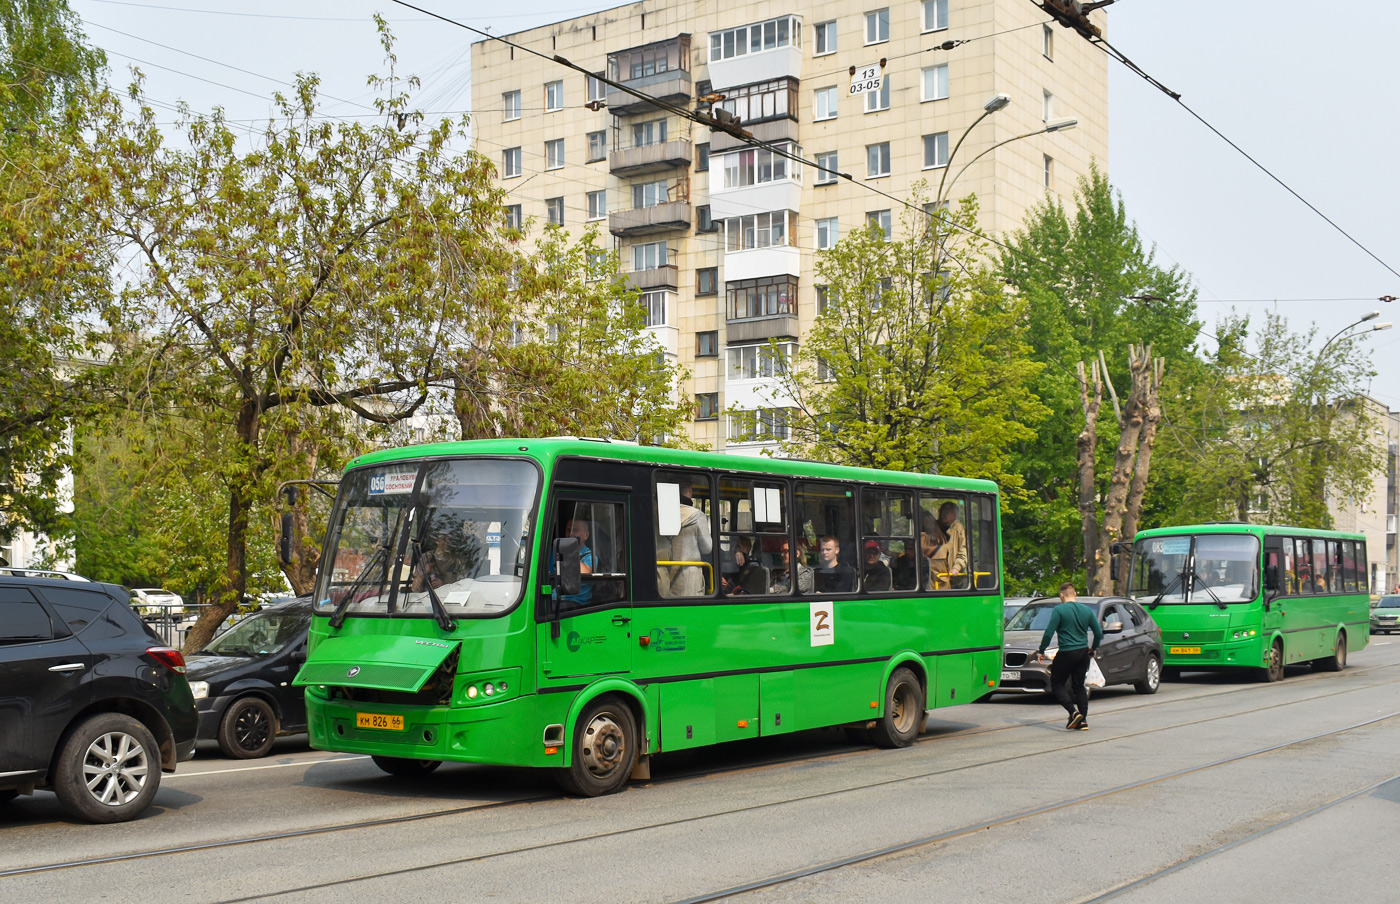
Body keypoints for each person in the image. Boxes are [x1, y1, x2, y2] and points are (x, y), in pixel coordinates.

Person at [1034, 582, 1103, 730]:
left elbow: (1049, 632)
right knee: (1079, 686)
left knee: (1057, 684)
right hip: (1083, 652)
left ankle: (1073, 712)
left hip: (1066, 652)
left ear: (1061, 595)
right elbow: (1098, 633)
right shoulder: (1086, 610)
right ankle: (1083, 720)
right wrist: (1094, 648)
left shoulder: (1059, 610)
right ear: (1075, 594)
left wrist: (1042, 650)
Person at [666, 486, 713, 597]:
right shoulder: (697, 515)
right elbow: (707, 548)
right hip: (690, 574)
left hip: (669, 572)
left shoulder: (665, 514)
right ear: (690, 490)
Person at [926, 502, 968, 589]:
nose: (942, 515)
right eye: (941, 512)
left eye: (946, 512)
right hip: (934, 574)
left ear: (954, 514)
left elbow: (963, 552)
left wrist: (956, 567)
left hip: (952, 577)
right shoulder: (934, 526)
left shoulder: (958, 530)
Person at [559, 518, 594, 607]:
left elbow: (585, 573)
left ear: (586, 535)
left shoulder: (589, 556)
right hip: (556, 598)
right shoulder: (555, 551)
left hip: (576, 602)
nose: (570, 534)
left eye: (575, 530)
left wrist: (572, 551)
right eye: (568, 530)